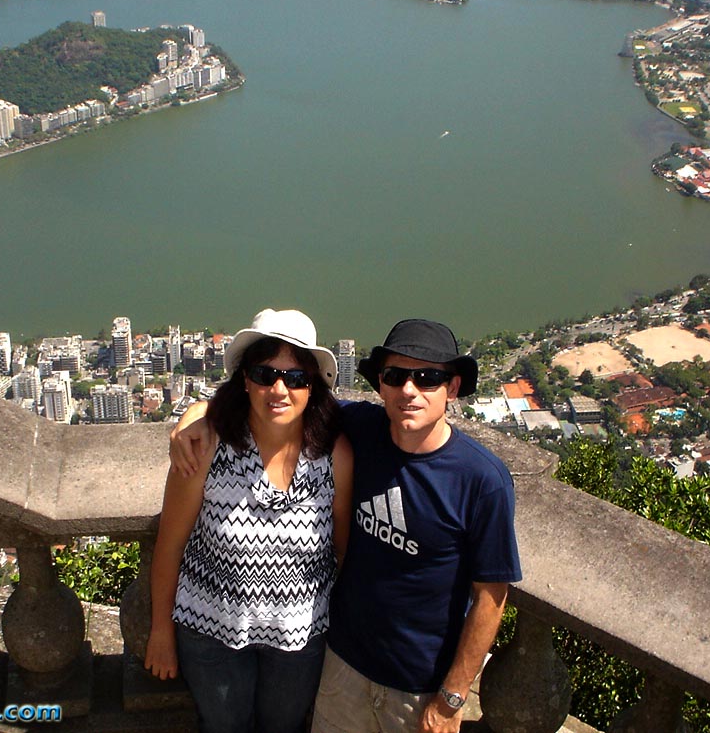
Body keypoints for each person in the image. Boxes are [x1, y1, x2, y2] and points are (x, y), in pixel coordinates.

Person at [172, 318, 520, 733]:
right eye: (396, 376)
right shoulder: (361, 429)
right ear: (381, 386)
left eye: (428, 378)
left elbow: (491, 598)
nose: (409, 390)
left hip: (418, 685)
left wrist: (451, 698)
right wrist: (198, 413)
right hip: (342, 664)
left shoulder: (482, 480)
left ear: (454, 387)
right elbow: (278, 400)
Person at [145, 308, 354, 733]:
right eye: (265, 374)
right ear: (245, 380)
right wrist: (161, 632)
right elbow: (170, 546)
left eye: (295, 378)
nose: (279, 388)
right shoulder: (206, 449)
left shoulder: (334, 455)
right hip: (210, 629)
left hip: (300, 635)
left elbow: (344, 551)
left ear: (312, 387)